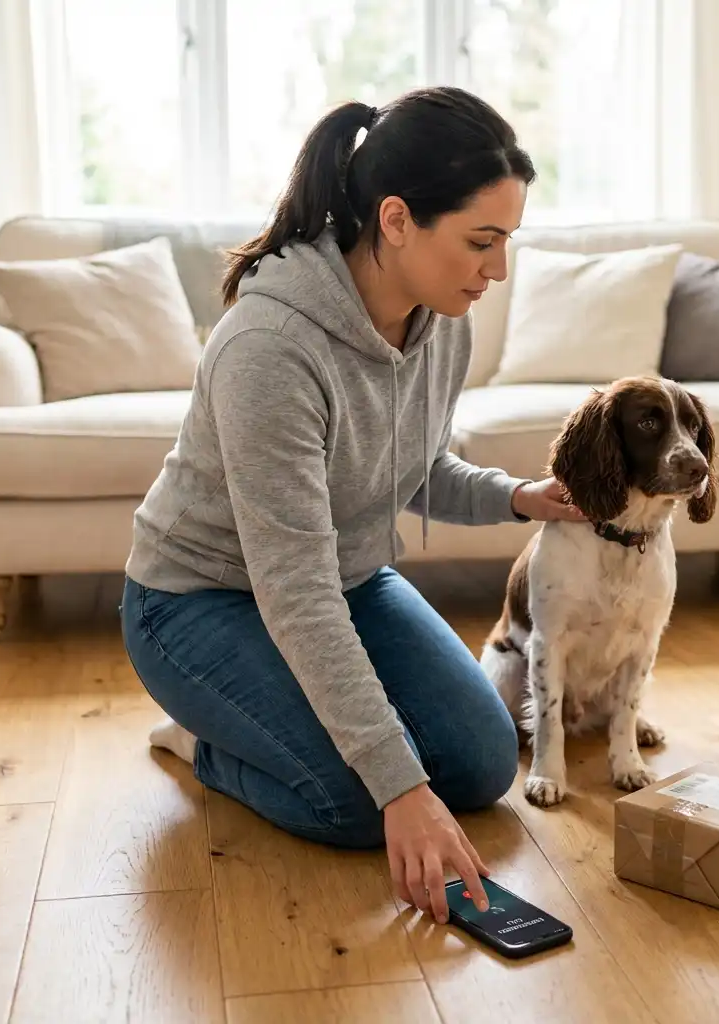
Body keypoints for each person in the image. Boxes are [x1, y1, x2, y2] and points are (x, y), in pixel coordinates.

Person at [120, 85, 584, 926]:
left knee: (481, 764)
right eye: (482, 242)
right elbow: (294, 591)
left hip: (344, 580)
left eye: (508, 241)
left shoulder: (444, 320)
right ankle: (202, 741)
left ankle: (289, 727)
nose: (498, 270)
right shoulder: (270, 349)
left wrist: (521, 498)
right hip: (197, 602)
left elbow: (408, 465)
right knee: (357, 802)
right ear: (398, 219)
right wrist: (400, 785)